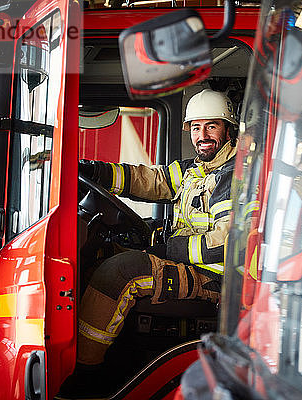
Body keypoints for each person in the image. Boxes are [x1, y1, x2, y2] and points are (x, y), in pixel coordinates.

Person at [59, 89, 238, 398]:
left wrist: (168, 249)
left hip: (217, 279)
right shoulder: (195, 170)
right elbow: (149, 179)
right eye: (196, 127)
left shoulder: (235, 175)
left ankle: (84, 375)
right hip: (190, 264)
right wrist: (94, 170)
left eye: (211, 126)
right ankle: (111, 354)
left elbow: (225, 244)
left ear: (228, 128)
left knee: (119, 272)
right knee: (103, 256)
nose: (203, 135)